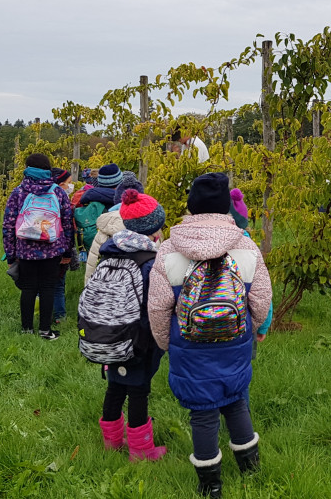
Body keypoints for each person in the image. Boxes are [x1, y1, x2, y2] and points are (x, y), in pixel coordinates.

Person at [148, 173, 272, 498]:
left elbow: (158, 309)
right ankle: (250, 466)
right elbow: (261, 299)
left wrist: (166, 344)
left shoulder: (169, 251)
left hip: (189, 348)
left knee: (202, 416)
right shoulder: (246, 247)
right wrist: (258, 328)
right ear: (225, 207)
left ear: (191, 205)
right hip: (236, 343)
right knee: (236, 402)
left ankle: (210, 484)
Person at [91, 190, 168, 461]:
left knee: (114, 387)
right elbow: (156, 304)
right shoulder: (150, 262)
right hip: (138, 339)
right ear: (154, 228)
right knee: (138, 390)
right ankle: (141, 449)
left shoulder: (110, 253)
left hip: (109, 335)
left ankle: (111, 442)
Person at [2, 153, 75, 340]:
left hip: (25, 251)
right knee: (48, 288)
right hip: (52, 249)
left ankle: (26, 329)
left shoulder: (18, 192)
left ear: (27, 169)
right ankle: (45, 330)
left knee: (28, 289)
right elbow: (67, 223)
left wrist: (11, 254)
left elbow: (9, 224)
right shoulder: (58, 192)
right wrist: (67, 251)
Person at [85, 174, 146, 283]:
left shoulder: (107, 224)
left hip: (107, 285)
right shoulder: (150, 227)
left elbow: (93, 261)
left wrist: (89, 287)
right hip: (138, 285)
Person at [75, 163, 125, 258]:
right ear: (119, 181)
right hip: (121, 251)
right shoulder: (125, 200)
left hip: (97, 251)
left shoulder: (90, 198)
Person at [51, 168, 75, 323]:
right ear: (60, 184)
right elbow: (68, 229)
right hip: (59, 247)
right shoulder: (63, 199)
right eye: (69, 183)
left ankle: (38, 314)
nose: (71, 186)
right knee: (59, 285)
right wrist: (68, 253)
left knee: (39, 285)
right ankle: (60, 317)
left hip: (38, 247)